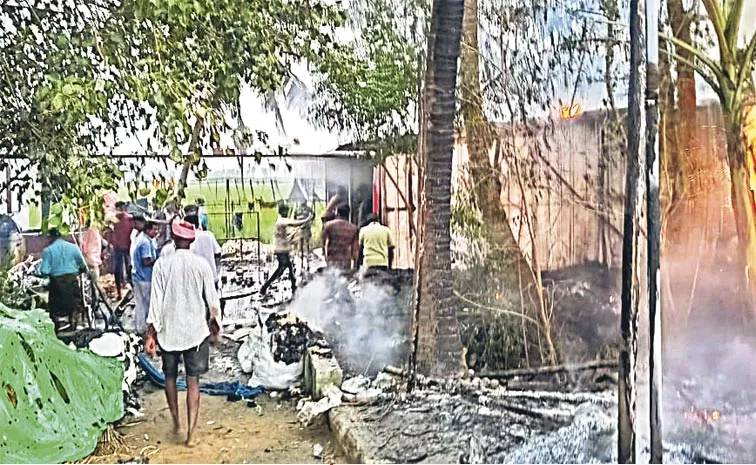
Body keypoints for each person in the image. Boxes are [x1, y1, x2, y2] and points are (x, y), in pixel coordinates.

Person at [145, 220, 221, 448]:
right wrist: (215, 324)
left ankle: (177, 422)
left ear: (173, 239)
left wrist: (151, 334)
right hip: (195, 332)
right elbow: (213, 302)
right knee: (193, 382)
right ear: (192, 240)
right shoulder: (202, 265)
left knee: (170, 378)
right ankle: (191, 433)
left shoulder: (161, 265)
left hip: (168, 332)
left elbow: (155, 304)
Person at [38, 229, 88, 331]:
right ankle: (73, 323)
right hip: (72, 281)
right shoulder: (73, 248)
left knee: (54, 307)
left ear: (50, 238)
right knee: (75, 305)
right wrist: (77, 271)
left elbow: (44, 271)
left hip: (56, 284)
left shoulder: (48, 251)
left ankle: (56, 328)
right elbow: (84, 266)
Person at [260, 203, 312, 296]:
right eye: (286, 211)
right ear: (283, 211)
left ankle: (293, 286)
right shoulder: (281, 221)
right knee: (281, 268)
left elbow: (288, 234)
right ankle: (264, 287)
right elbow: (294, 223)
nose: (287, 212)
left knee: (289, 267)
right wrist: (307, 219)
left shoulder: (281, 221)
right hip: (280, 250)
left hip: (283, 249)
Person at [132, 221, 159, 335]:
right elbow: (146, 260)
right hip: (145, 277)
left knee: (139, 303)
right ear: (147, 230)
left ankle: (140, 327)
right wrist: (158, 260)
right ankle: (144, 328)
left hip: (138, 276)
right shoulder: (145, 243)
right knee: (146, 304)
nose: (156, 232)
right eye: (154, 230)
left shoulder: (142, 239)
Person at [184, 214, 221, 288]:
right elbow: (218, 254)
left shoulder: (188, 240)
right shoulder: (209, 235)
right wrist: (216, 270)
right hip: (212, 277)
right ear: (198, 224)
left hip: (196, 281)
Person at [322, 204, 358, 271]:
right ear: (348, 214)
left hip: (332, 261)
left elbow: (325, 245)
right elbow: (355, 251)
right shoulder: (353, 228)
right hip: (346, 263)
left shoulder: (328, 226)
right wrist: (354, 267)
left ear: (337, 213)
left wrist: (326, 259)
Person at [111, 202, 134, 299]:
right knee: (118, 270)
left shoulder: (128, 219)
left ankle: (131, 290)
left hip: (126, 247)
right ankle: (120, 293)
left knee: (128, 268)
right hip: (119, 248)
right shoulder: (114, 219)